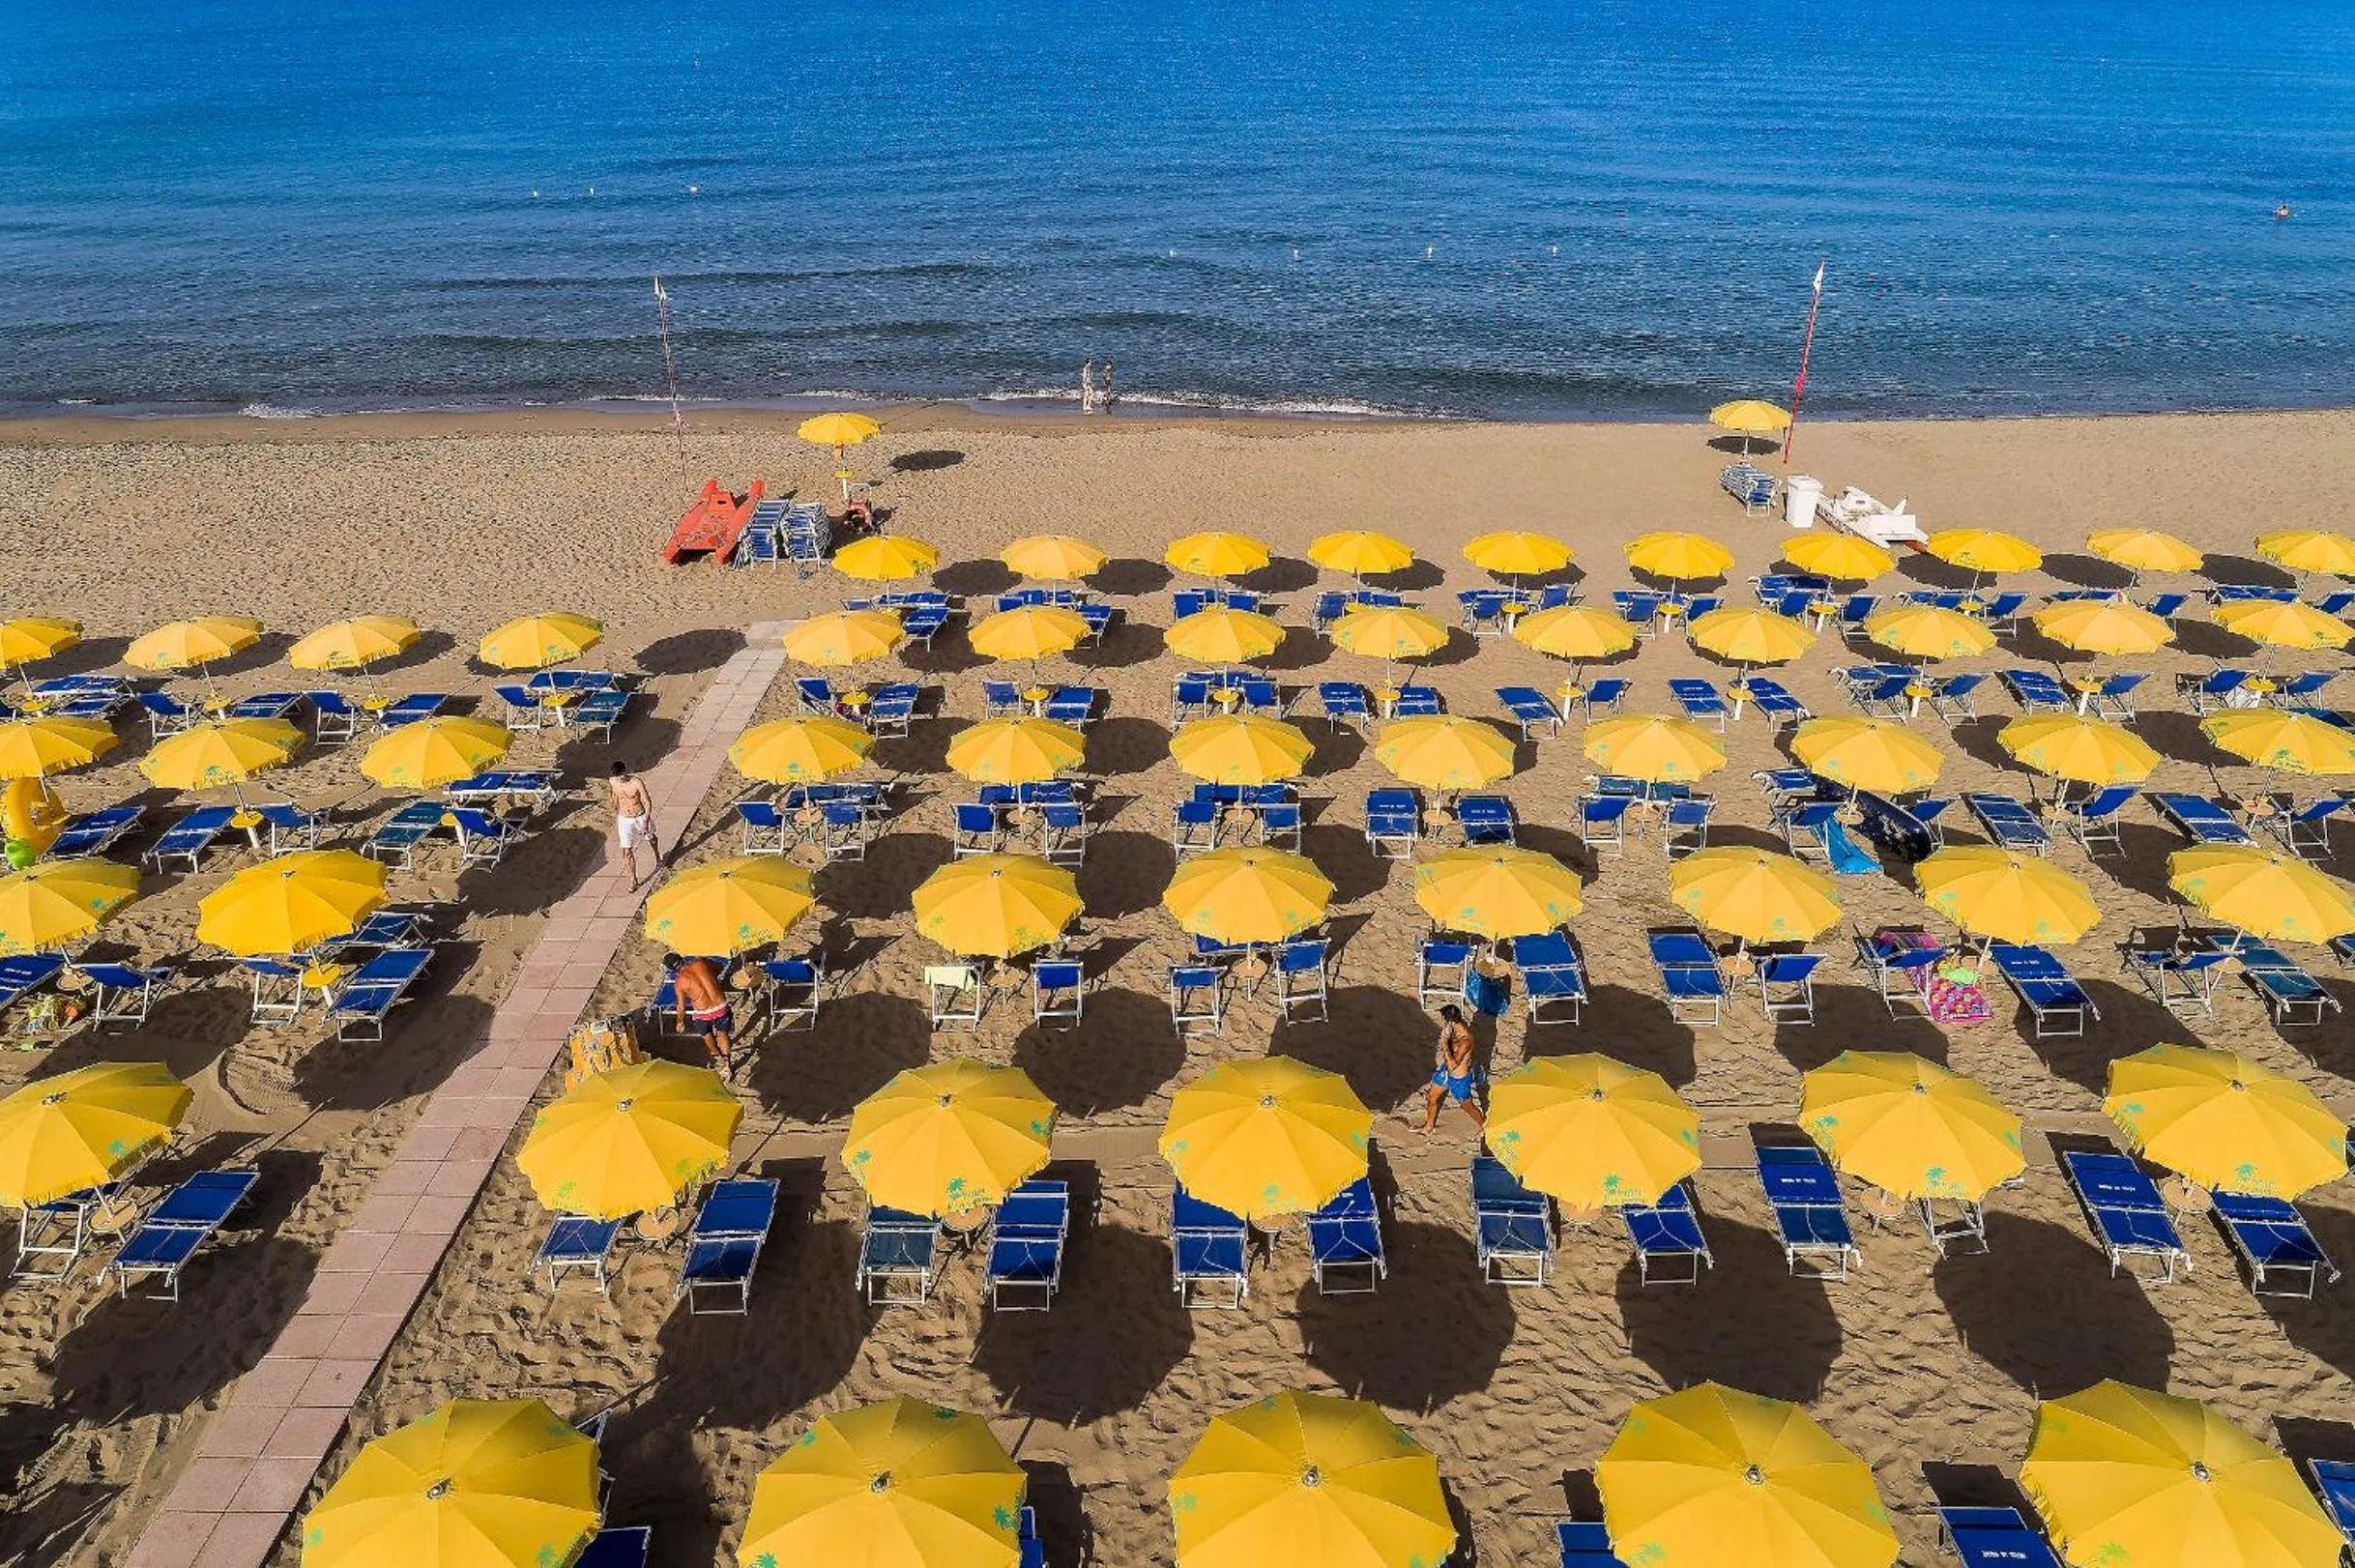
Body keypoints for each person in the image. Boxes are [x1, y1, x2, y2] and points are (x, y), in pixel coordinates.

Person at [666, 952, 734, 1073]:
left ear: (671, 969)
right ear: (682, 959)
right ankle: (727, 1063)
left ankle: (716, 1053)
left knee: (706, 1034)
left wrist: (680, 1022)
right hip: (721, 1006)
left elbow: (681, 1006)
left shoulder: (679, 982)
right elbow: (720, 968)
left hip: (704, 1012)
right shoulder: (701, 963)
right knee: (723, 1035)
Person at [1421, 1003, 1484, 1131]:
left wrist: (1444, 1042)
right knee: (1431, 1097)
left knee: (1467, 1106)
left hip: (1459, 1078)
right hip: (1445, 1071)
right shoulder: (1454, 1029)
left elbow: (1453, 1066)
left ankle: (1485, 1128)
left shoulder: (1465, 1040)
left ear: (1450, 1021)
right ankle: (1428, 1127)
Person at [608, 761, 658, 887]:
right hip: (624, 817)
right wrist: (614, 806)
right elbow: (614, 795)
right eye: (618, 775)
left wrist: (645, 822)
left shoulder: (636, 783)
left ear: (625, 770)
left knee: (651, 838)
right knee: (626, 851)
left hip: (639, 815)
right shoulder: (613, 781)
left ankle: (658, 856)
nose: (621, 777)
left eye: (622, 774)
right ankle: (633, 879)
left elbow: (647, 802)